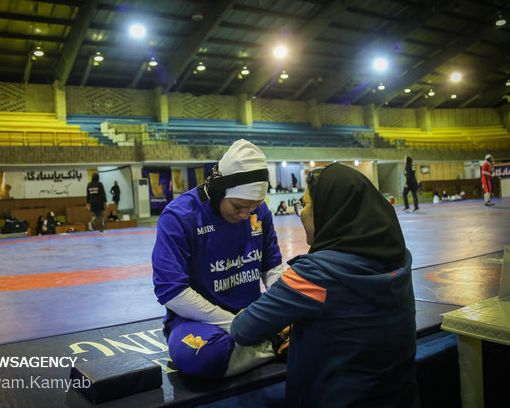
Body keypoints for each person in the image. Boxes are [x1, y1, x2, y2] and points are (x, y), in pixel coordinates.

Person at [230, 163, 419, 407]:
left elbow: (244, 328)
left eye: (305, 205)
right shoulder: (400, 258)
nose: (300, 213)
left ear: (330, 210)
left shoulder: (316, 274)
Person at [152, 139, 285, 378]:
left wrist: (285, 312)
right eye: (238, 207)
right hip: (200, 322)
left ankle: (251, 350)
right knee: (199, 354)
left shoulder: (259, 212)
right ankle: (273, 346)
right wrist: (237, 325)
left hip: (253, 314)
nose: (246, 215)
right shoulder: (180, 216)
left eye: (253, 207)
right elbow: (170, 291)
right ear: (218, 191)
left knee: (314, 317)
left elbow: (273, 268)